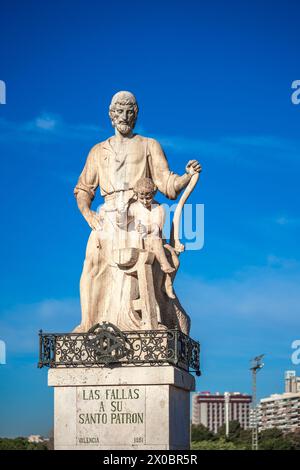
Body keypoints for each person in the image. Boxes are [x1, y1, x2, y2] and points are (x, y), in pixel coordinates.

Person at [73, 90, 201, 332]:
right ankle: (88, 324)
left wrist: (186, 176)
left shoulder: (149, 145)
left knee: (137, 256)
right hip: (107, 215)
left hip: (138, 214)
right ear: (111, 115)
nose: (124, 116)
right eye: (119, 111)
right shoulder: (98, 151)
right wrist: (88, 214)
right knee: (91, 264)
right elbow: (83, 189)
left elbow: (167, 185)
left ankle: (139, 322)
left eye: (129, 112)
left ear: (135, 115)